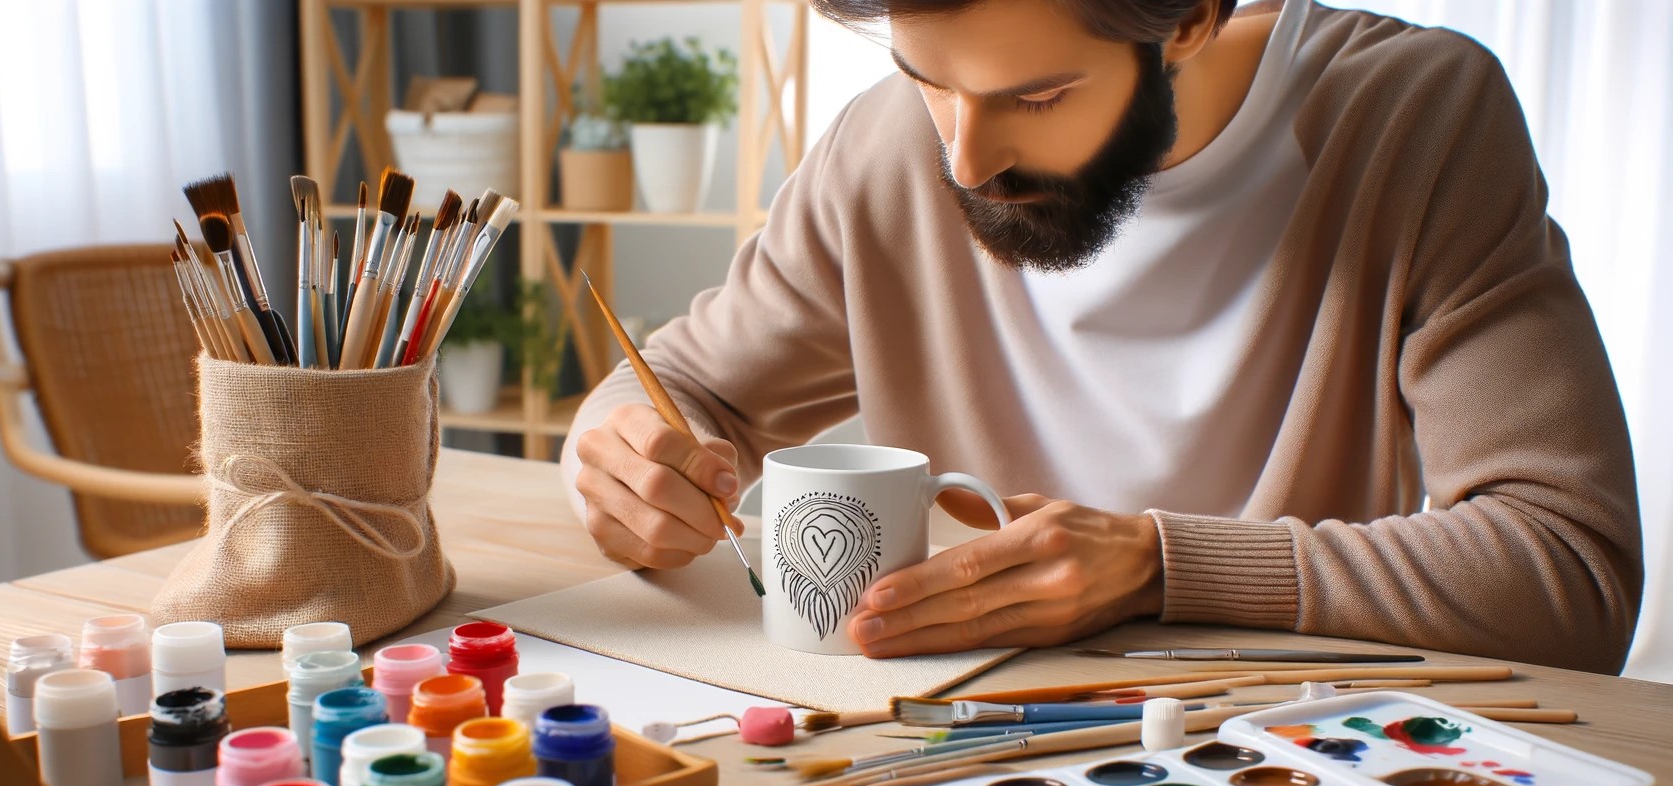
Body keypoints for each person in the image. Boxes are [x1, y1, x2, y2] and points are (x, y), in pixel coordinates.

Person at [561, 0, 1642, 673]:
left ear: (1187, 18)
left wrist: (1158, 567)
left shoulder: (1414, 121)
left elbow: (1565, 567)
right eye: (927, 80)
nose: (967, 159)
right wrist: (617, 448)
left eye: (1035, 95)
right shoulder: (888, 152)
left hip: (1275, 773)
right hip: (943, 754)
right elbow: (687, 384)